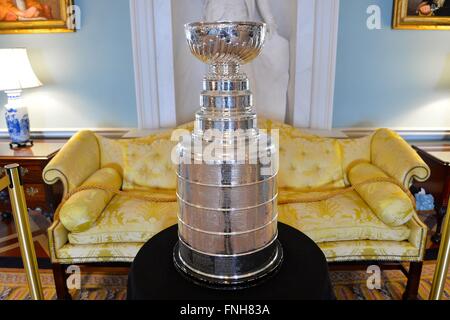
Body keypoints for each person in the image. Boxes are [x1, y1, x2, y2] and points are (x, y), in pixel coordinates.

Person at [203, 0, 290, 122]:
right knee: (218, 69)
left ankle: (246, 117)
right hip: (217, 11)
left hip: (239, 12)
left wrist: (269, 19)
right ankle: (219, 118)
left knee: (244, 68)